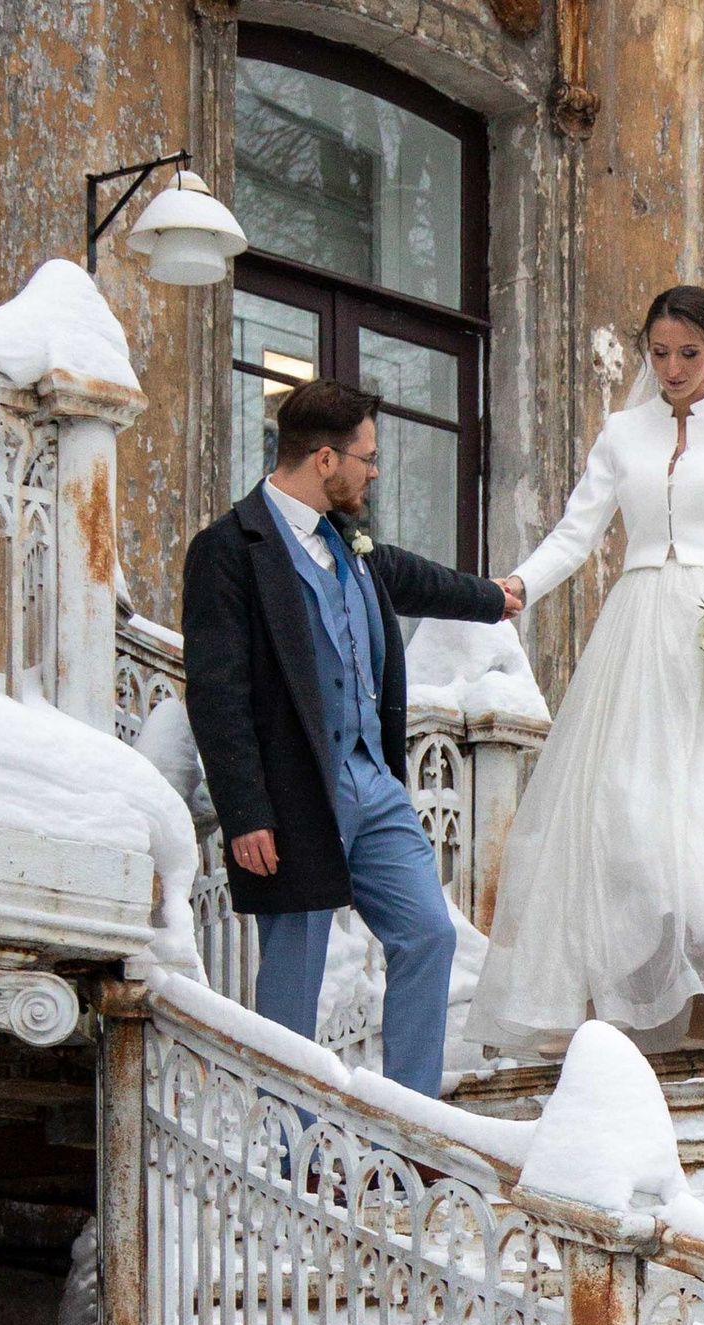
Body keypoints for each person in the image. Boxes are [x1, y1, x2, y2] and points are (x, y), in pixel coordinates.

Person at [466, 285, 704, 1053]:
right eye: (659, 353)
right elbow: (577, 530)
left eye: (688, 354)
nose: (672, 369)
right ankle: (605, 1017)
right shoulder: (623, 432)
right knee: (620, 820)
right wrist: (519, 586)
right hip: (634, 640)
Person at [181, 379, 517, 1097]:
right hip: (298, 787)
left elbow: (413, 578)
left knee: (429, 934)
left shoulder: (349, 542)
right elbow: (217, 691)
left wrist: (495, 597)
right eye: (365, 458)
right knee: (294, 973)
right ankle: (283, 1144)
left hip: (372, 782)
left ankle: (413, 1124)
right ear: (324, 459)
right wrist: (246, 812)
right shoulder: (229, 549)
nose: (373, 471)